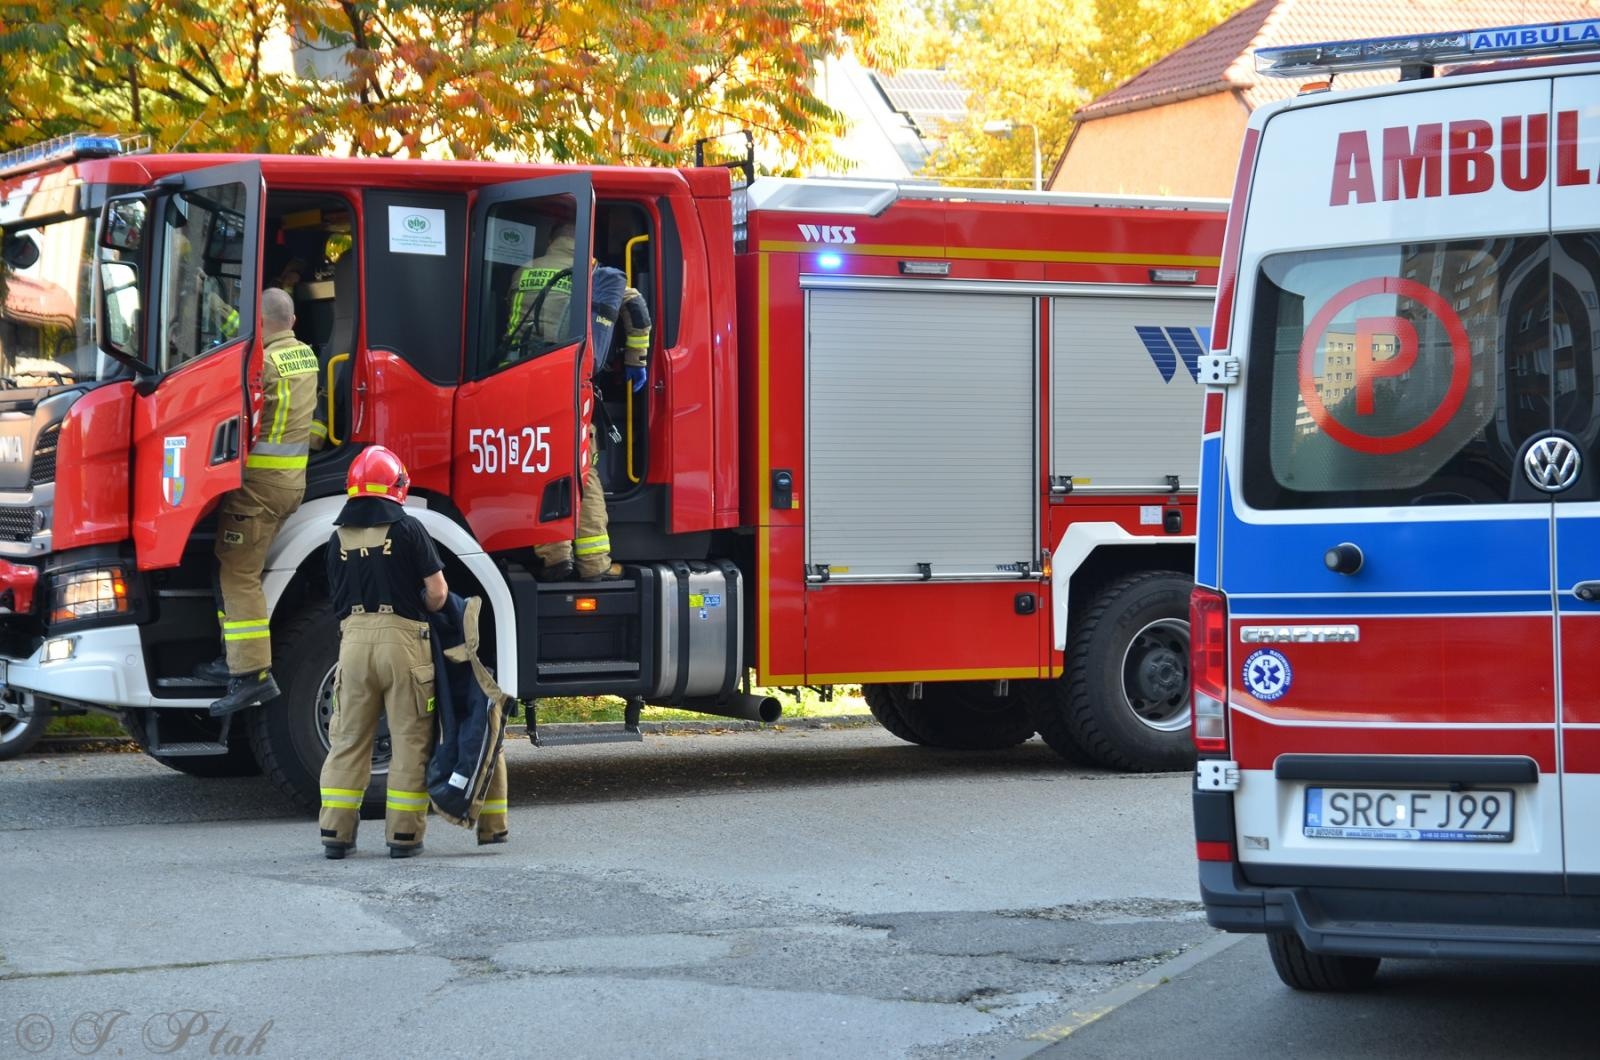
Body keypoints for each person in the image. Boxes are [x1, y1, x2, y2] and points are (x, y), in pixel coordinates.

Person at [318, 446, 447, 859]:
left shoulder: (335, 537)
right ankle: (404, 837)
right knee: (410, 739)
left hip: (352, 645)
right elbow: (438, 592)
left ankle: (335, 834)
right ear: (398, 487)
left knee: (348, 738)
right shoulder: (408, 529)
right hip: (403, 644)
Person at [504, 223, 651, 582]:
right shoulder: (591, 273)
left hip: (522, 383)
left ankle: (556, 557)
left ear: (552, 240)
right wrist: (636, 361)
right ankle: (594, 563)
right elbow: (636, 310)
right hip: (571, 386)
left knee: (541, 467)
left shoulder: (524, 271)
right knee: (585, 469)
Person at [205, 287, 319, 716]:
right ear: (291, 321)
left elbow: (242, 422)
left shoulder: (261, 365)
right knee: (235, 567)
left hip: (258, 487)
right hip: (291, 482)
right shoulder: (306, 355)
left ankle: (251, 674)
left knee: (239, 576)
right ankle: (231, 658)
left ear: (259, 324)